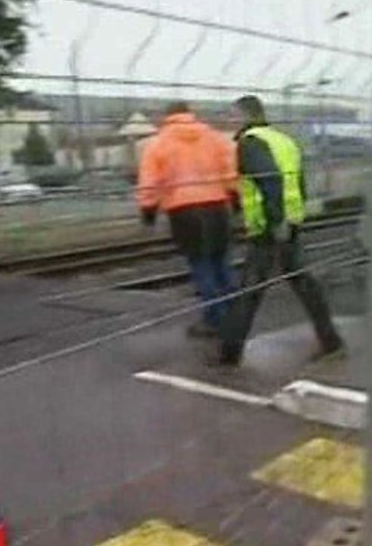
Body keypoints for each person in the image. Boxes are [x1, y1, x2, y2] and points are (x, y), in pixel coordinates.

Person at [212, 94, 345, 366]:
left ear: (245, 116)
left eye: (233, 115)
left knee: (250, 289)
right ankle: (331, 341)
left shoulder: (251, 143)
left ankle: (229, 355)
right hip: (289, 222)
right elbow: (300, 183)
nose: (230, 121)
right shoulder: (284, 140)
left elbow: (270, 180)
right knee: (304, 283)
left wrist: (275, 221)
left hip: (269, 227)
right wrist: (294, 216)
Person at [136, 101, 238, 337]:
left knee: (201, 264)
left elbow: (149, 182)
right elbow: (230, 171)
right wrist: (235, 199)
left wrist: (148, 212)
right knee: (221, 262)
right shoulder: (214, 138)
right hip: (216, 206)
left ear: (168, 116)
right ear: (190, 114)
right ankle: (235, 315)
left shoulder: (158, 143)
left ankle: (214, 320)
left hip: (184, 211)